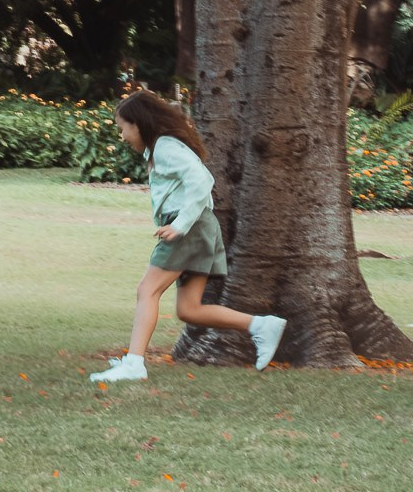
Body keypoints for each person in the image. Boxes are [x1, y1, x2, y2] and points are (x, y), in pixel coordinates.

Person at [91, 90, 287, 383]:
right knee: (189, 309)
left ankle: (134, 363)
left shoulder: (166, 148)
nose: (122, 136)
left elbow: (202, 180)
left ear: (139, 123)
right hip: (199, 227)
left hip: (188, 228)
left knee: (147, 290)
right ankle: (260, 326)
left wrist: (180, 224)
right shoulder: (163, 148)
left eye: (123, 128)